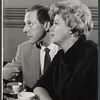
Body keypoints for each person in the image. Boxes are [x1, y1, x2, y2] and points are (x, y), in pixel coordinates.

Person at [33, 0, 98, 100]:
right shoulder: (60, 56)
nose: (51, 29)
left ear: (71, 26)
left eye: (56, 23)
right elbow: (40, 86)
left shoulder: (93, 54)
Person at [3, 4, 58, 92]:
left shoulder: (65, 49)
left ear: (47, 25)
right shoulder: (24, 48)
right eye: (25, 24)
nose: (24, 29)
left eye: (30, 23)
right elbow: (10, 70)